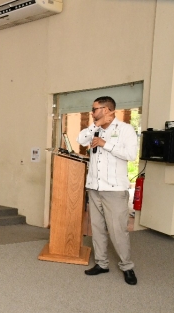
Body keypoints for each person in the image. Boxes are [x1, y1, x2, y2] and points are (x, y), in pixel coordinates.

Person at [77, 96, 138, 285]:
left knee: (118, 230)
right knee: (97, 228)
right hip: (94, 188)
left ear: (106, 109)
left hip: (114, 190)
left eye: (94, 109)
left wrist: (106, 144)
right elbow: (80, 139)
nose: (92, 113)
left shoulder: (125, 129)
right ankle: (101, 263)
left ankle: (127, 267)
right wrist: (96, 125)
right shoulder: (95, 129)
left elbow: (131, 155)